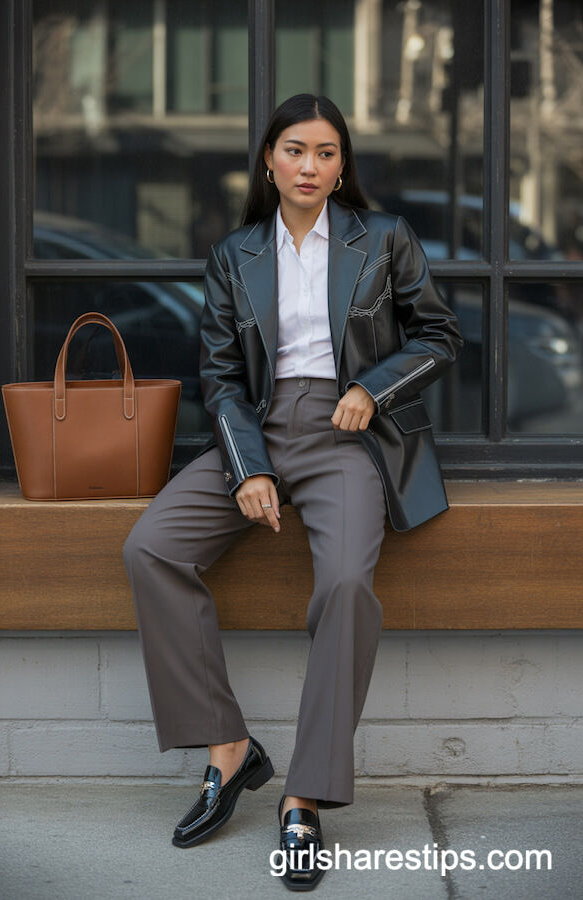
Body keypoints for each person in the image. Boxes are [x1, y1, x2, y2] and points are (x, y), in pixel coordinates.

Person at [123, 93, 463, 891]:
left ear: (342, 167)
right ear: (269, 161)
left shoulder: (383, 237)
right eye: (295, 150)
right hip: (257, 428)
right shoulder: (234, 253)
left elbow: (440, 334)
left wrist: (373, 388)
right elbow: (220, 377)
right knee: (151, 549)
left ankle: (303, 795)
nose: (310, 166)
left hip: (348, 434)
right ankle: (228, 747)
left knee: (345, 585)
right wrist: (249, 467)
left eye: (326, 153)